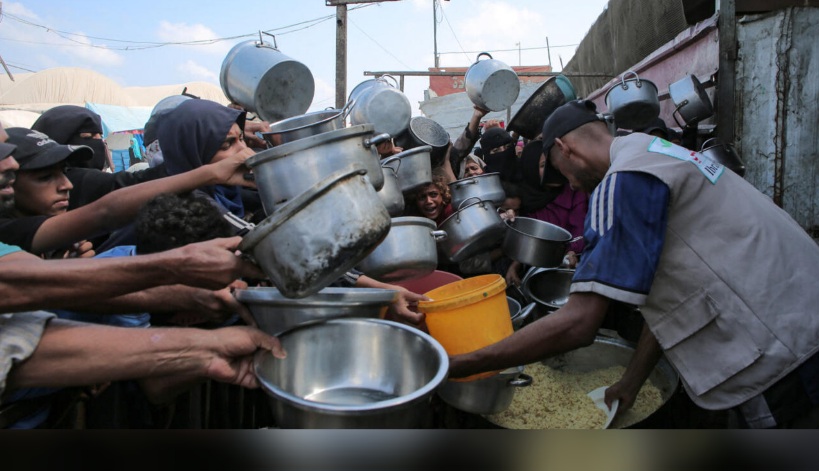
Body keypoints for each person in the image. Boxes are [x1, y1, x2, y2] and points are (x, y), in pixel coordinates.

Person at [448, 99, 819, 429]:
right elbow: (673, 293)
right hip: (799, 323)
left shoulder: (625, 179)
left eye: (562, 173)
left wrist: (463, 365)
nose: (571, 187)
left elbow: (579, 324)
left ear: (565, 148)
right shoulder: (659, 152)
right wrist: (631, 381)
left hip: (783, 358)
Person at [0, 126, 255, 258]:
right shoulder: (8, 235)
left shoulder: (63, 246)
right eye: (45, 177)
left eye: (65, 172)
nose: (66, 185)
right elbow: (106, 211)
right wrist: (211, 172)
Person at [505, 139, 588, 287]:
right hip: (540, 273)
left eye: (553, 164)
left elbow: (580, 226)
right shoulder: (525, 201)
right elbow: (529, 238)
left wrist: (571, 251)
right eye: (543, 165)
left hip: (575, 267)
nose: (552, 170)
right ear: (531, 170)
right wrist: (515, 265)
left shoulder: (574, 190)